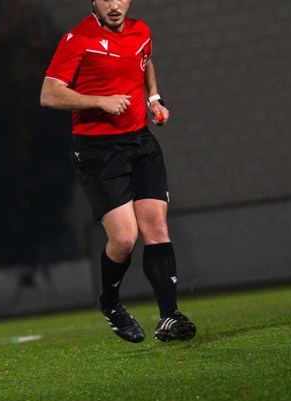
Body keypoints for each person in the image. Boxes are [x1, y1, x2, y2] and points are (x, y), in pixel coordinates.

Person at [40, 0, 196, 343]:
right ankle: (110, 302)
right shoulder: (77, 39)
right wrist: (100, 100)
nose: (114, 4)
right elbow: (49, 94)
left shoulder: (141, 31)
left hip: (140, 143)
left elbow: (144, 61)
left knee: (157, 227)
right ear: (93, 1)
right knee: (125, 239)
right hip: (97, 150)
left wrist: (154, 99)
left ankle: (169, 316)